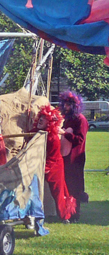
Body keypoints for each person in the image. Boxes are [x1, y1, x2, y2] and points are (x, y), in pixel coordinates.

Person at [31, 105, 76, 223]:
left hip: (54, 166)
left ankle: (65, 216)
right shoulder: (36, 133)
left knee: (58, 191)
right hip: (40, 165)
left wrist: (45, 168)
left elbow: (53, 157)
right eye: (41, 117)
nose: (41, 119)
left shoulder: (53, 138)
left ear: (50, 122)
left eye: (44, 118)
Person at [59, 91, 88, 222]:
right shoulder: (68, 119)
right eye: (65, 104)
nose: (66, 106)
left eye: (69, 104)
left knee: (75, 186)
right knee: (66, 185)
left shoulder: (81, 120)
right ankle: (67, 212)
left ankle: (75, 214)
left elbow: (80, 140)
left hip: (75, 158)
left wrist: (65, 134)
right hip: (65, 157)